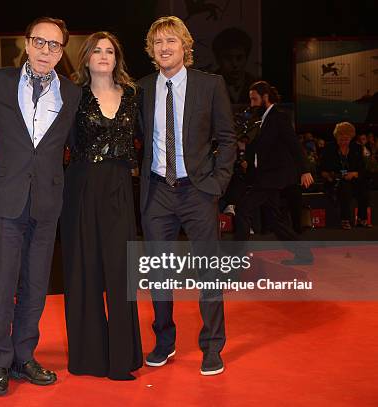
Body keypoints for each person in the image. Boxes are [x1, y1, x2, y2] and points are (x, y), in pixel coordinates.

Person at [0, 17, 81, 396]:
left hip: (47, 202)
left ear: (61, 52)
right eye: (40, 42)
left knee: (36, 286)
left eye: (54, 45)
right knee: (2, 286)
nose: (46, 51)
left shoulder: (70, 94)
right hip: (5, 198)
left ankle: (24, 357)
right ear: (26, 43)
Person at [138, 16, 236, 376]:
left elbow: (227, 139)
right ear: (152, 50)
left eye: (171, 41)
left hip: (197, 191)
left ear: (185, 47)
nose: (164, 47)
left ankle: (212, 346)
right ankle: (164, 341)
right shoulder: (143, 88)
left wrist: (216, 184)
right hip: (157, 193)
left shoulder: (210, 85)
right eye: (158, 42)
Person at [60, 31, 142, 381]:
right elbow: (50, 141)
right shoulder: (72, 98)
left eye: (110, 50)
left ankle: (123, 357)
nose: (104, 56)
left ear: (117, 57)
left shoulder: (134, 97)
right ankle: (89, 357)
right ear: (87, 57)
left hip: (120, 190)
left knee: (121, 273)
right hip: (80, 190)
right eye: (97, 50)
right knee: (85, 272)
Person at [234, 81, 314, 258]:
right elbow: (258, 147)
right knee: (274, 219)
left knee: (243, 209)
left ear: (265, 97)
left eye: (255, 99)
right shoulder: (260, 119)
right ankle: (303, 254)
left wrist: (304, 170)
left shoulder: (279, 116)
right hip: (265, 175)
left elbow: (293, 144)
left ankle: (237, 257)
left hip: (273, 176)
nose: (252, 103)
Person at [320, 122, 370, 229]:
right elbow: (322, 169)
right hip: (335, 181)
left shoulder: (356, 148)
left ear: (351, 138)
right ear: (336, 137)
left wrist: (354, 173)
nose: (343, 142)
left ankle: (362, 219)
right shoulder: (329, 148)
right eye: (341, 139)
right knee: (345, 188)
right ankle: (345, 219)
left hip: (353, 180)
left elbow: (362, 169)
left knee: (363, 190)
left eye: (346, 139)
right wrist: (330, 175)